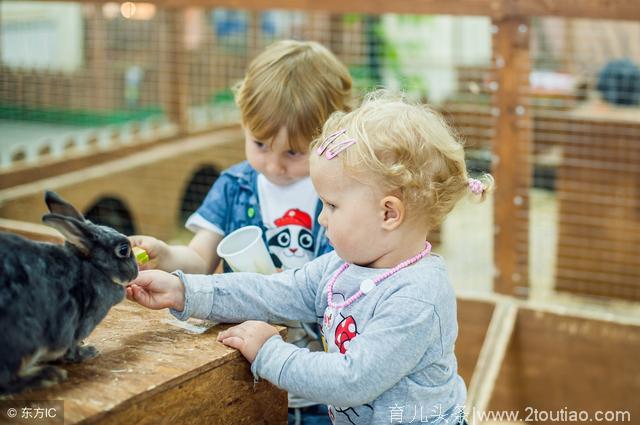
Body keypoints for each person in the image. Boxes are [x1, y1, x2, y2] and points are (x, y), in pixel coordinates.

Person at [127, 91, 491, 424]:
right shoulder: (340, 267)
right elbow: (269, 291)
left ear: (388, 214)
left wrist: (269, 353)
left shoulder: (417, 295)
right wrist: (184, 291)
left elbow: (352, 379)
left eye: (332, 205)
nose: (321, 217)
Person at [130, 39, 352, 424]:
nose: (274, 165)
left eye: (294, 153)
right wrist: (166, 255)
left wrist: (298, 285)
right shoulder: (234, 186)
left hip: (322, 386)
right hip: (247, 375)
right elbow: (200, 258)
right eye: (260, 144)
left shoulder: (338, 191)